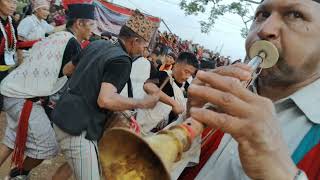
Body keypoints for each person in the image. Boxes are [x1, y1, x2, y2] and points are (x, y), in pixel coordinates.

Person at [179, 0, 320, 179]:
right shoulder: (223, 93)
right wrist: (189, 120)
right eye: (263, 14)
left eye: (295, 15)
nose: (264, 29)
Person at [51, 10, 159, 179]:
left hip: (62, 114)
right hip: (78, 127)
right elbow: (105, 100)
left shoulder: (97, 44)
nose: (144, 50)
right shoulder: (122, 60)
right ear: (134, 40)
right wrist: (142, 103)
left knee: (69, 169)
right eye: (144, 45)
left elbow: (67, 69)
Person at [0, 3, 96, 179]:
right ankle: (17, 174)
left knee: (11, 141)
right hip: (24, 98)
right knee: (47, 146)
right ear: (79, 24)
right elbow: (68, 72)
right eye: (91, 24)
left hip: (15, 91)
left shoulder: (58, 35)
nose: (93, 30)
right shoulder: (72, 43)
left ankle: (17, 174)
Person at [138, 52, 198, 133]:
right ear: (176, 64)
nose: (187, 77)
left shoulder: (185, 87)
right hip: (140, 127)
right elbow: (148, 86)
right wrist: (173, 103)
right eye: (186, 71)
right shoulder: (163, 76)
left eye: (190, 74)